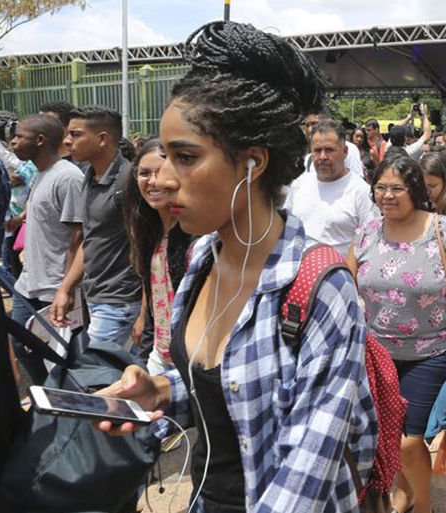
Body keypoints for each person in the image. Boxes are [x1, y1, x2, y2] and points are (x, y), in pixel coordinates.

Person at [94, 21, 376, 511]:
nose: (161, 178)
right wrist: (160, 392)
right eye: (163, 156)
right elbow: (229, 386)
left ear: (253, 163)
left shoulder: (322, 288)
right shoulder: (203, 257)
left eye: (185, 157)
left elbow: (306, 474)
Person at [348, 156, 446, 513]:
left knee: (408, 441)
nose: (387, 196)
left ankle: (423, 504)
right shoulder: (365, 233)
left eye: (396, 188)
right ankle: (402, 490)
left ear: (416, 190)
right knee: (385, 436)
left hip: (432, 352)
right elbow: (346, 288)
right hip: (376, 353)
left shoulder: (443, 232)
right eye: (380, 188)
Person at [50, 106, 143, 352]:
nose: (67, 141)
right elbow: (90, 240)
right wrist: (65, 289)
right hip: (96, 297)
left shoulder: (128, 181)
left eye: (76, 134)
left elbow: (147, 247)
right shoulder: (89, 176)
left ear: (102, 139)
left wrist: (145, 312)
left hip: (120, 302)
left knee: (95, 380)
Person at [8, 114, 84, 384]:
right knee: (21, 345)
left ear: (40, 140)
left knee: (66, 355)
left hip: (54, 288)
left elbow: (79, 238)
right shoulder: (41, 175)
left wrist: (67, 288)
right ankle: (50, 397)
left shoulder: (67, 178)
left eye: (19, 136)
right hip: (28, 284)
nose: (13, 141)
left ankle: (67, 402)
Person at [123, 139, 195, 375]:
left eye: (162, 172)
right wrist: (144, 315)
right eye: (144, 173)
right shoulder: (147, 229)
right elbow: (153, 282)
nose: (153, 181)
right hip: (159, 351)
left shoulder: (195, 236)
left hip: (190, 360)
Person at [285, 119, 379, 256]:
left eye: (329, 150)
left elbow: (370, 243)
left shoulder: (361, 192)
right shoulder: (299, 184)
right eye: (317, 150)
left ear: (345, 151)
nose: (322, 157)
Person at [302, 111, 363, 176]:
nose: (310, 129)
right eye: (307, 125)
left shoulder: (350, 149)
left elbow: (357, 176)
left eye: (314, 123)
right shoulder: (308, 158)